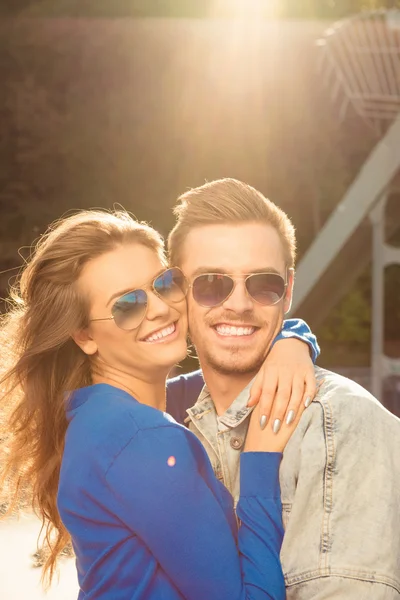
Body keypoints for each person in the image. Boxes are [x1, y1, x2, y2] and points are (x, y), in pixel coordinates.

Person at [0, 210, 319, 600]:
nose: (160, 308)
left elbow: (228, 374)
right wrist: (260, 457)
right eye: (127, 305)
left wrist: (293, 338)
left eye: (164, 283)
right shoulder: (143, 438)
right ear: (84, 335)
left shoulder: (95, 414)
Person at [166, 178, 400, 599]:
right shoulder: (166, 420)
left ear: (288, 291)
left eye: (263, 284)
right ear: (176, 292)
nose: (238, 303)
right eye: (211, 283)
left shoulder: (341, 425)